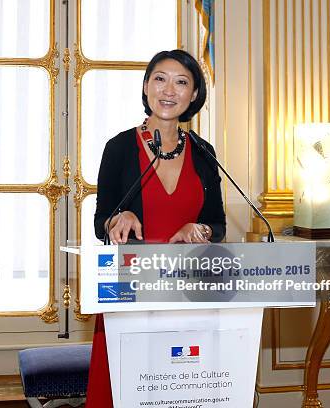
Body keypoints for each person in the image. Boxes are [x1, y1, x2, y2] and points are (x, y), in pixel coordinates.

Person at [87, 49, 226, 406]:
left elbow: (218, 224)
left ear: (194, 95)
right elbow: (101, 220)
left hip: (191, 295)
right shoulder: (118, 147)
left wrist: (201, 230)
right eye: (160, 79)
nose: (169, 90)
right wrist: (119, 218)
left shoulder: (204, 152)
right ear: (147, 86)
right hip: (132, 292)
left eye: (182, 82)